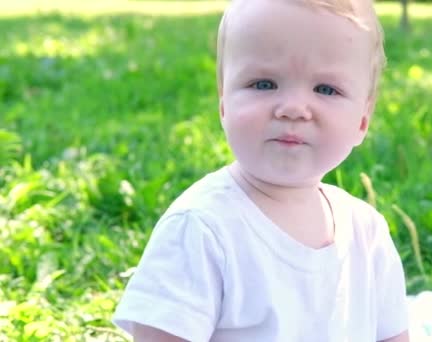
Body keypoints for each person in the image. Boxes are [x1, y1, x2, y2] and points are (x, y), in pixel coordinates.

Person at [112, 0, 409, 341]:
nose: (294, 109)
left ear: (362, 120)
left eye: (326, 89)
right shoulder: (202, 228)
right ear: (224, 102)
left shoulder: (366, 233)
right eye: (264, 84)